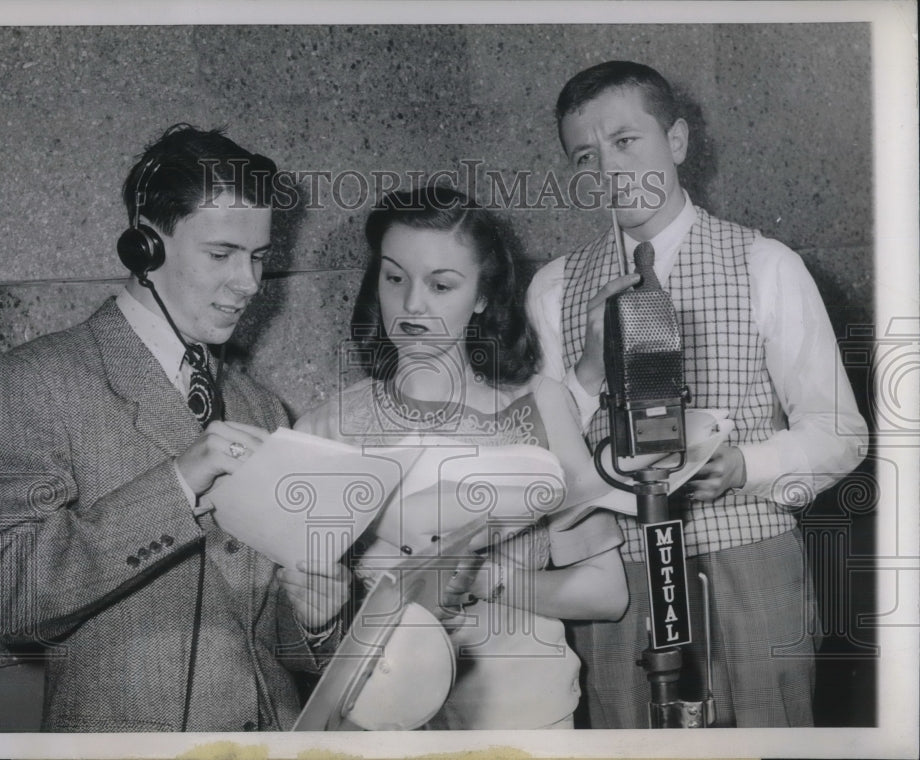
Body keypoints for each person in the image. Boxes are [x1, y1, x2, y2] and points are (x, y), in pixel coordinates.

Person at [0, 124, 349, 732]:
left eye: (259, 258)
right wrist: (177, 483)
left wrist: (313, 616)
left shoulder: (261, 408)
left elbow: (272, 639)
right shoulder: (35, 381)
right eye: (221, 254)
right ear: (145, 247)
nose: (248, 283)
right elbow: (4, 597)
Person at [526, 60, 869, 727]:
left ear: (677, 141)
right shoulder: (555, 288)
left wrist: (747, 465)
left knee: (770, 732)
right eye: (586, 156)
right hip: (617, 574)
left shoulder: (767, 265)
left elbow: (841, 431)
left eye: (628, 142)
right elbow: (545, 463)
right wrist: (589, 370)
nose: (611, 172)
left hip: (751, 560)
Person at [296, 185, 629, 730]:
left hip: (526, 724)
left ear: (481, 296)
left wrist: (483, 578)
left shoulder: (539, 407)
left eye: (441, 284)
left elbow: (607, 593)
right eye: (394, 278)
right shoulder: (325, 429)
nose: (412, 306)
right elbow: (296, 632)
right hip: (383, 729)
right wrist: (322, 612)